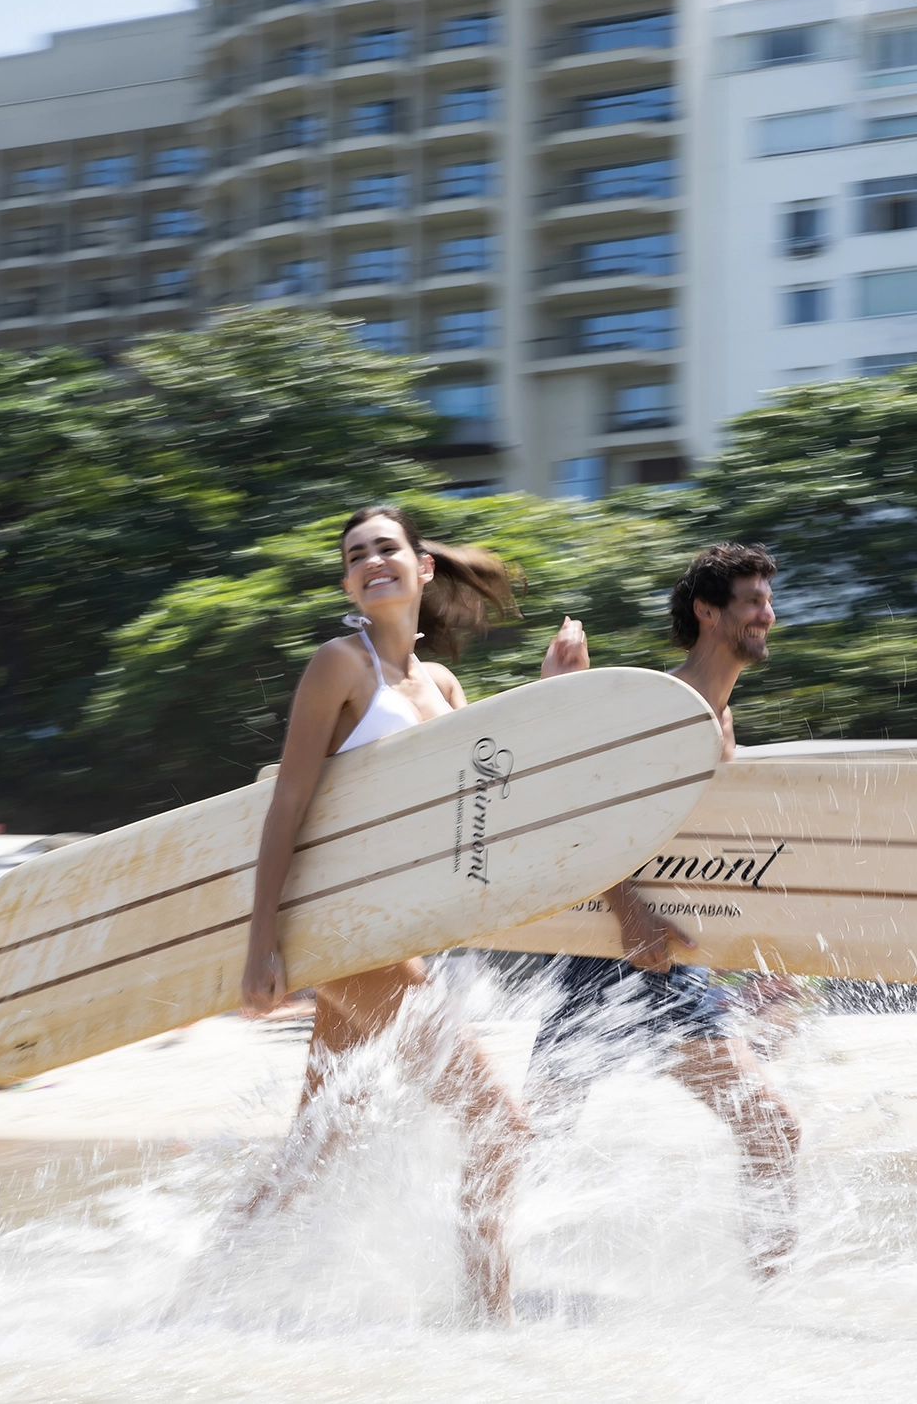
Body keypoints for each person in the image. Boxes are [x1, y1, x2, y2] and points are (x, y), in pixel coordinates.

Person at [234, 504, 566, 1325]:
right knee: (502, 1126)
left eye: (387, 549)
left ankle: (199, 1307)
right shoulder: (338, 667)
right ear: (348, 583)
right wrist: (261, 942)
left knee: (314, 1147)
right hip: (342, 933)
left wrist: (554, 696)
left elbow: (485, 796)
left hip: (394, 935)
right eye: (356, 555)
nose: (371, 561)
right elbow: (287, 805)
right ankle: (487, 1321)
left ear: (422, 569)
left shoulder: (443, 685)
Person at [526, 542, 804, 1258]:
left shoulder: (721, 718)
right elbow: (576, 810)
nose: (766, 615)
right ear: (708, 612)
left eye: (767, 601)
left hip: (660, 952)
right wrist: (627, 910)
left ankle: (471, 1285)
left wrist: (758, 958)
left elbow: (709, 867)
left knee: (532, 1136)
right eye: (750, 602)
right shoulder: (669, 707)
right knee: (770, 1127)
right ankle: (768, 1310)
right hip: (631, 949)